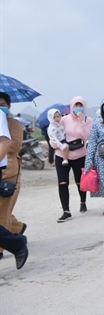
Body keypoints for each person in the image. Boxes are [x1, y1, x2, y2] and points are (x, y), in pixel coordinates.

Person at [55, 96, 93, 222]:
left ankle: (83, 201)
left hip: (79, 153)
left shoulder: (88, 120)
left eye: (80, 105)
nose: (78, 108)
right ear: (71, 106)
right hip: (62, 153)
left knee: (79, 180)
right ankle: (66, 211)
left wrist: (81, 121)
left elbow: (86, 137)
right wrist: (55, 144)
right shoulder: (64, 120)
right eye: (75, 105)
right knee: (62, 182)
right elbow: (54, 133)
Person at [0, 113, 28, 270]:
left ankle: (15, 243)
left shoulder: (3, 118)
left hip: (7, 170)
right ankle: (16, 238)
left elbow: (6, 143)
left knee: (2, 213)